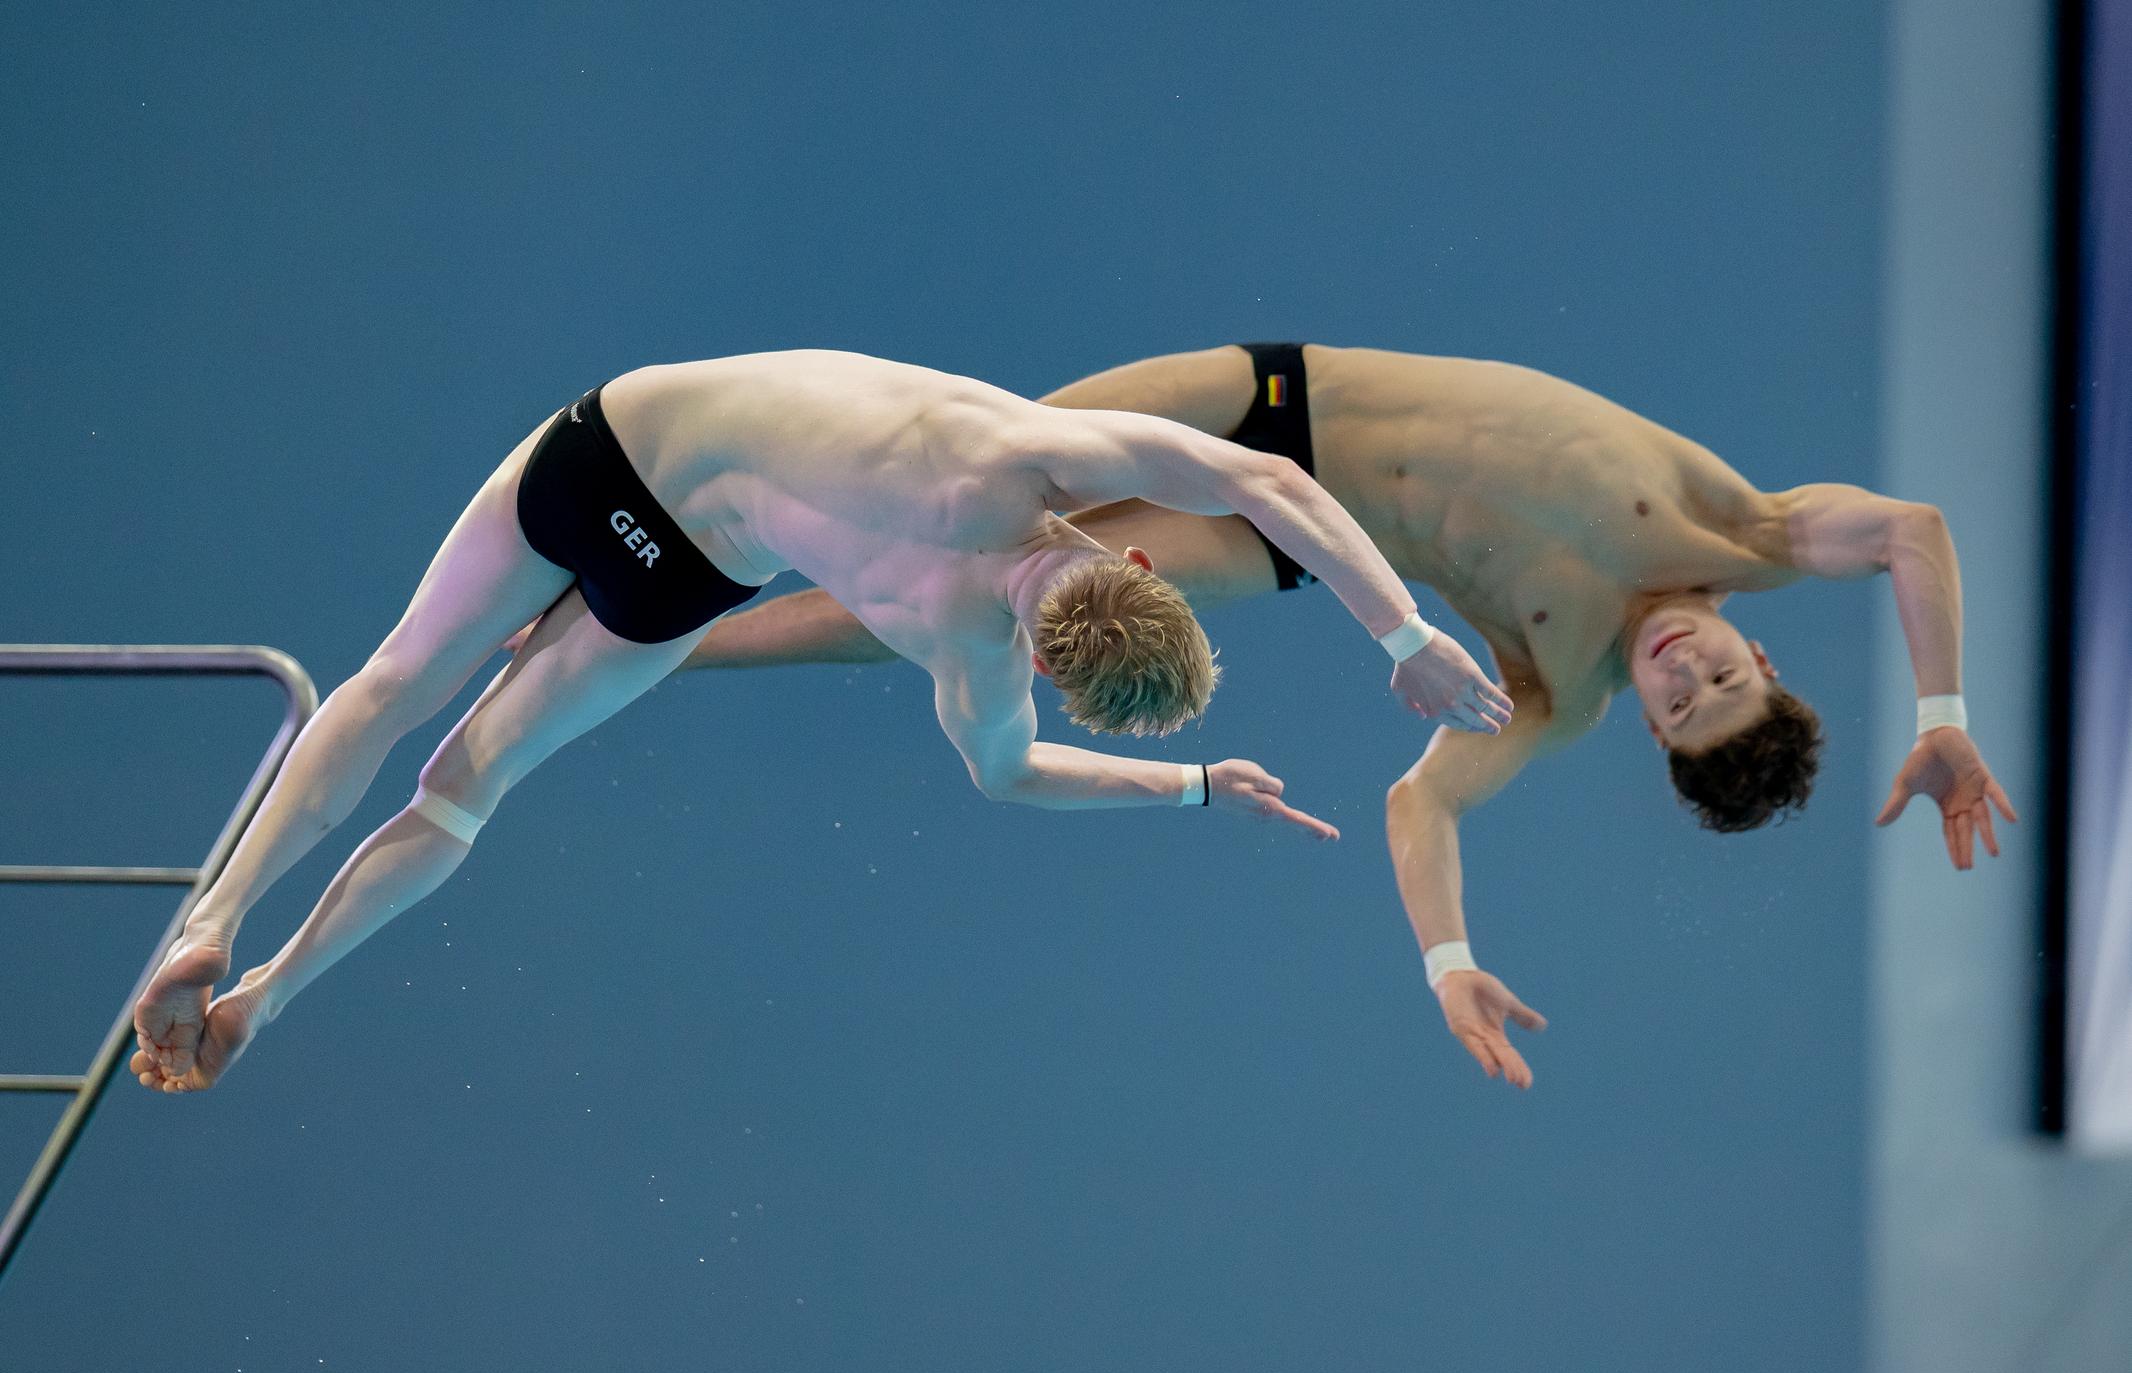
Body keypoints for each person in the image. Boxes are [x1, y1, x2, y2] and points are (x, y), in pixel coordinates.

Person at [130, 350, 1510, 1094]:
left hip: (618, 444)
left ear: (1139, 563)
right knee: (459, 793)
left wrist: (1406, 635)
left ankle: (216, 914)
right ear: (1058, 661)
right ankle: (267, 996)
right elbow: (1013, 778)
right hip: (683, 579)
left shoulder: (1023, 455)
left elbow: (1270, 481)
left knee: (390, 683)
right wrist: (1194, 786)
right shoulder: (974, 661)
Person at [659, 343, 2018, 1089]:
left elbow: (1422, 801)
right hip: (1274, 398)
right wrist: (1944, 707)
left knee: (955, 603)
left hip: (1299, 540)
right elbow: (1912, 530)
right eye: (1726, 673)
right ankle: (693, 454)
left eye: (1683, 706)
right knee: (964, 485)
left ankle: (660, 651)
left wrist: (1448, 961)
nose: (1687, 670)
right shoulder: (1749, 532)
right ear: (1758, 643)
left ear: (1653, 732)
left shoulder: (1556, 693)